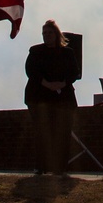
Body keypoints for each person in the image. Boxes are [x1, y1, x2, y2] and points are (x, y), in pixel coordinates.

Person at [24, 20, 80, 175]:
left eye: (50, 33)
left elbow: (74, 72)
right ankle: (41, 165)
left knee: (62, 132)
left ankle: (60, 167)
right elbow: (31, 71)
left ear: (56, 34)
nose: (47, 36)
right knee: (42, 132)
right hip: (39, 97)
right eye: (44, 34)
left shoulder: (67, 52)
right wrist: (47, 84)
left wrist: (62, 84)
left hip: (63, 97)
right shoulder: (35, 51)